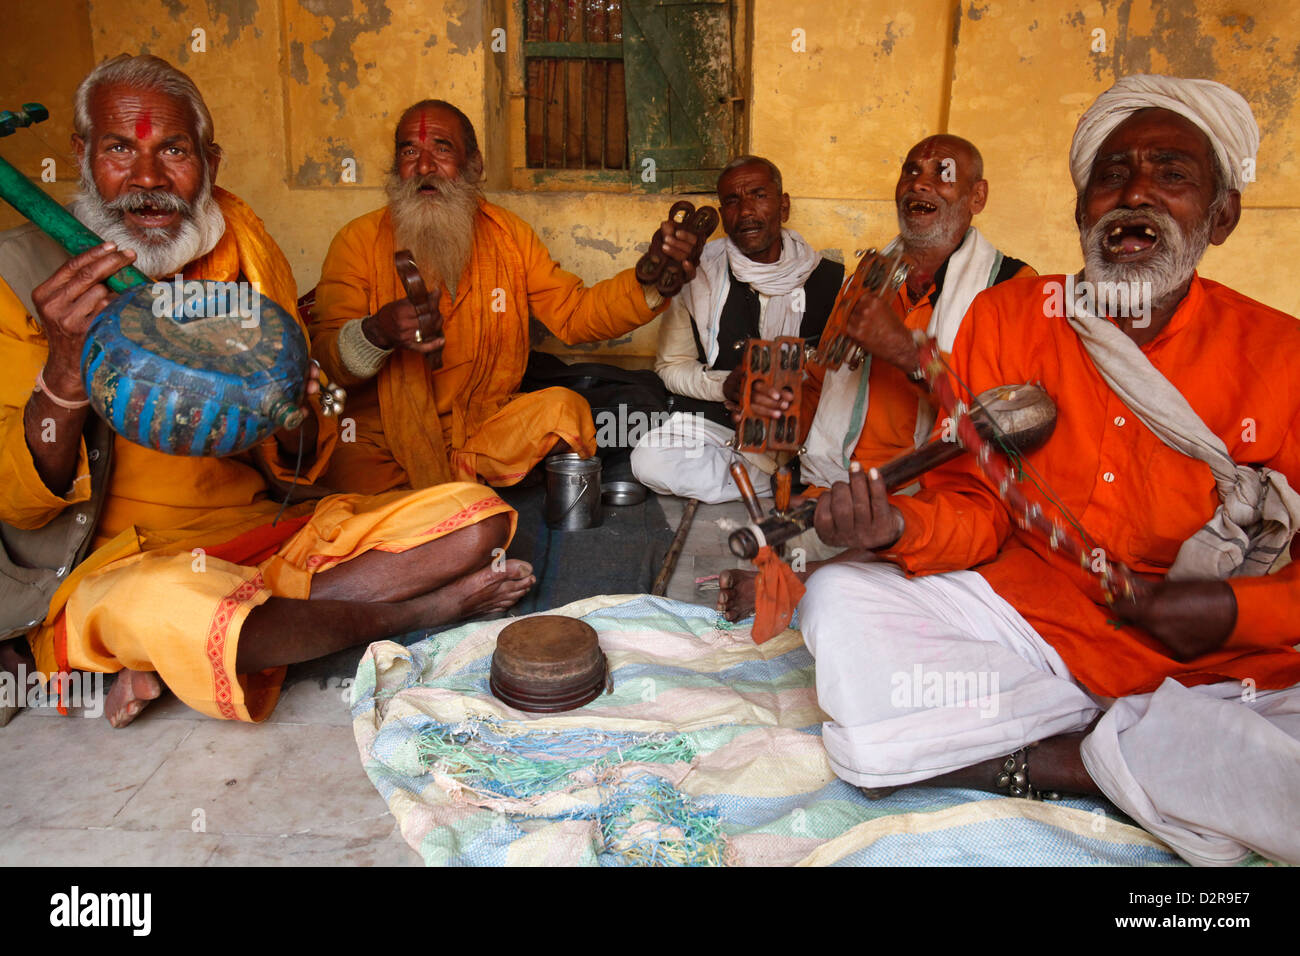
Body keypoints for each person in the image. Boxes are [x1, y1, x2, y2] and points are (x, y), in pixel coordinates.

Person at [799, 75, 1300, 866]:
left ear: (1221, 216)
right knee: (837, 599)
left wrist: (1229, 612)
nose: (1135, 194)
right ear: (1082, 209)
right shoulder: (1012, 317)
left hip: (1219, 671)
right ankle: (1132, 757)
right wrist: (900, 525)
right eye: (1112, 175)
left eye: (1172, 175)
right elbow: (977, 501)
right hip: (1038, 629)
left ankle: (1056, 759)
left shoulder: (1283, 354)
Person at [0, 55, 534, 729]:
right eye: (118, 150)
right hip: (126, 562)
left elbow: (307, 429)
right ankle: (416, 612)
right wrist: (67, 370)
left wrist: (275, 398)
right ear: (81, 154)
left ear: (210, 162)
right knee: (164, 600)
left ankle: (223, 637)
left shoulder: (243, 249)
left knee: (475, 520)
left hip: (259, 529)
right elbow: (18, 504)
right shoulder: (19, 278)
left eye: (173, 150)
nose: (147, 179)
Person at [309, 99, 700, 493]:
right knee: (353, 482)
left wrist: (648, 281)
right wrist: (376, 332)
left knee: (566, 411)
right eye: (409, 151)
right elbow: (324, 361)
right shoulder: (357, 241)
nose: (424, 166)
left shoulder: (509, 237)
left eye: (441, 148)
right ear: (397, 168)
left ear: (474, 166)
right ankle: (462, 502)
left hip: (482, 430)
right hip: (383, 442)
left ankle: (454, 498)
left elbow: (574, 314)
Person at [718, 135, 1034, 619]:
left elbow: (1010, 420)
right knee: (768, 556)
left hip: (931, 500)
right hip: (833, 488)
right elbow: (820, 388)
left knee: (856, 590)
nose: (920, 182)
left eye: (942, 173)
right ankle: (825, 577)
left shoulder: (1015, 288)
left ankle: (810, 585)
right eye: (910, 171)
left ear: (978, 197)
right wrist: (771, 403)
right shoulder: (867, 279)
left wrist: (908, 354)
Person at [629, 155, 843, 503]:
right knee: (650, 458)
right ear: (722, 215)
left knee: (856, 461)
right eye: (732, 201)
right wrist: (725, 386)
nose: (745, 211)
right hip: (723, 428)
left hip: (804, 431)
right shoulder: (696, 275)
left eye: (758, 195)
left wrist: (788, 402)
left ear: (783, 206)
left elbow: (844, 380)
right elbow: (671, 368)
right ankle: (772, 481)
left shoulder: (832, 281)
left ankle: (774, 474)